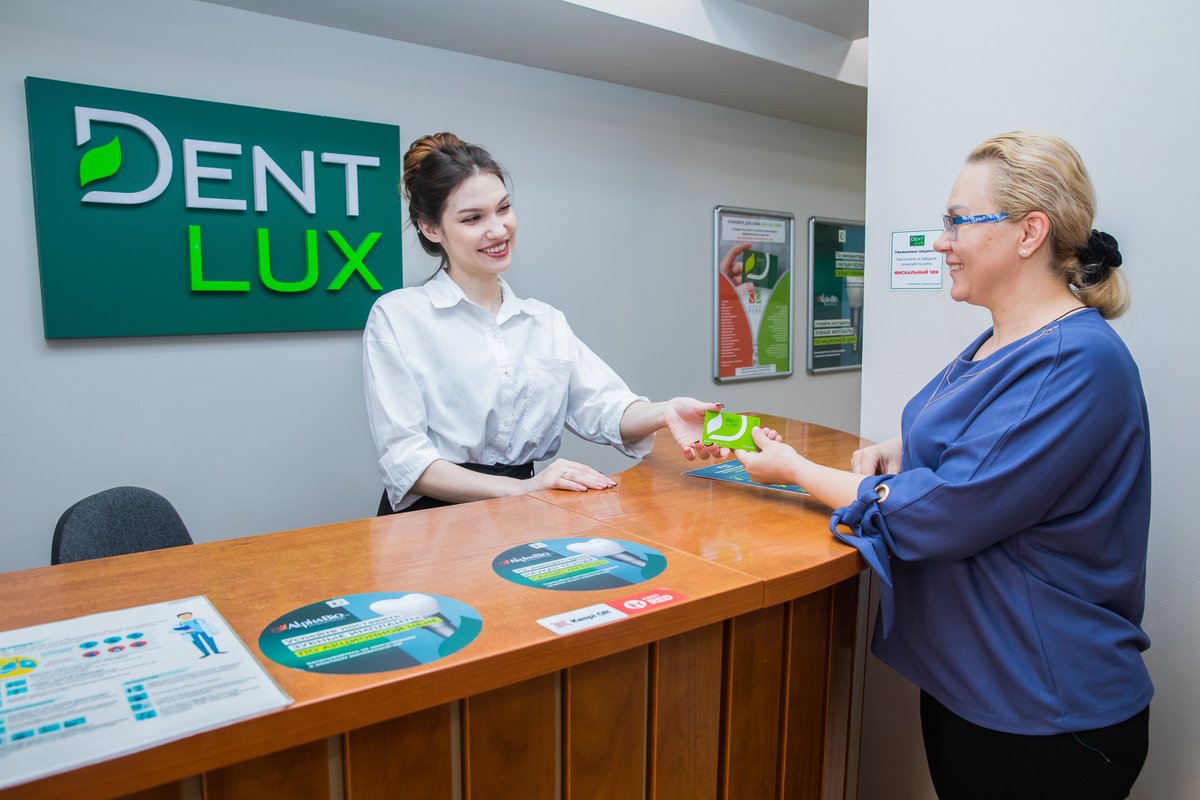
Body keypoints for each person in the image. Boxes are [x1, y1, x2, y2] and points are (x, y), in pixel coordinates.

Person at [735, 131, 1151, 800]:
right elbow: (989, 444)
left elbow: (943, 513)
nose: (940, 241)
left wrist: (795, 471)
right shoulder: (1002, 340)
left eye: (958, 221)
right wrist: (902, 449)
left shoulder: (1079, 359)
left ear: (1029, 232)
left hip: (1045, 707)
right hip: (971, 686)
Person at [365, 133, 727, 514]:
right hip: (432, 519)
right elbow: (405, 460)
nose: (498, 230)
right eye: (473, 218)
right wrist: (523, 489)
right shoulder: (398, 317)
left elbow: (605, 407)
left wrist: (667, 412)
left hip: (525, 509)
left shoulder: (544, 322)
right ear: (431, 229)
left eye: (503, 208)